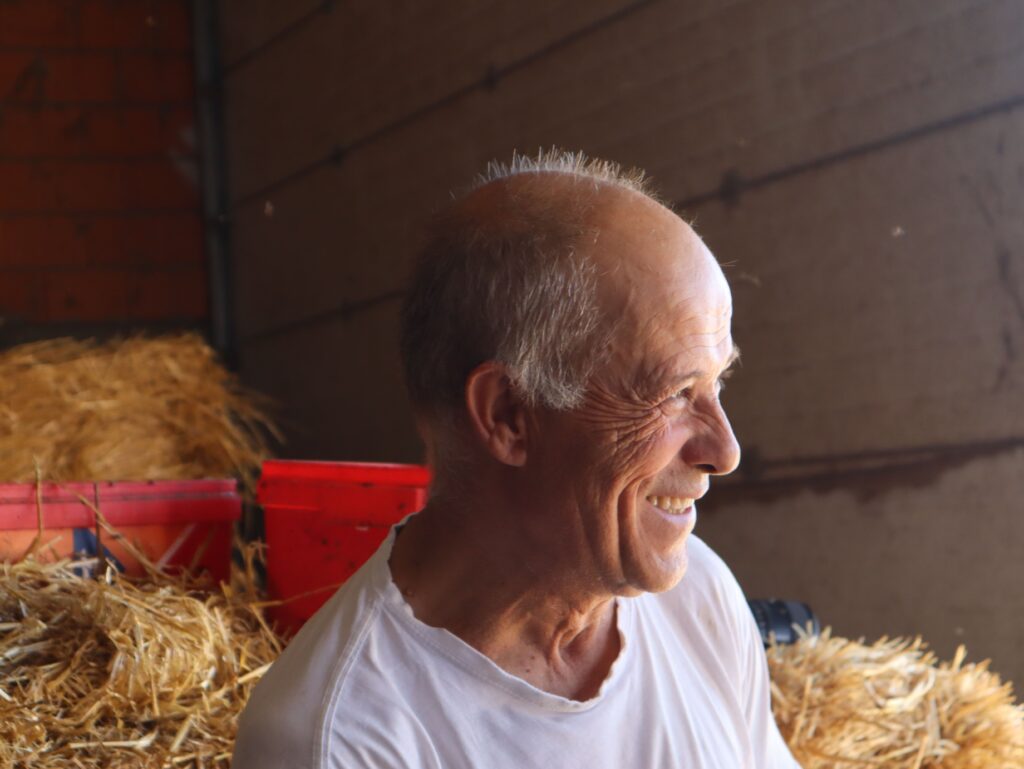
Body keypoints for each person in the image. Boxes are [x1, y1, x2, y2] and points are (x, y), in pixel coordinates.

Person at [233, 150, 800, 768]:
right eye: (673, 393)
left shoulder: (699, 600)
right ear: (507, 415)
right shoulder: (342, 738)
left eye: (717, 386)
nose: (725, 450)